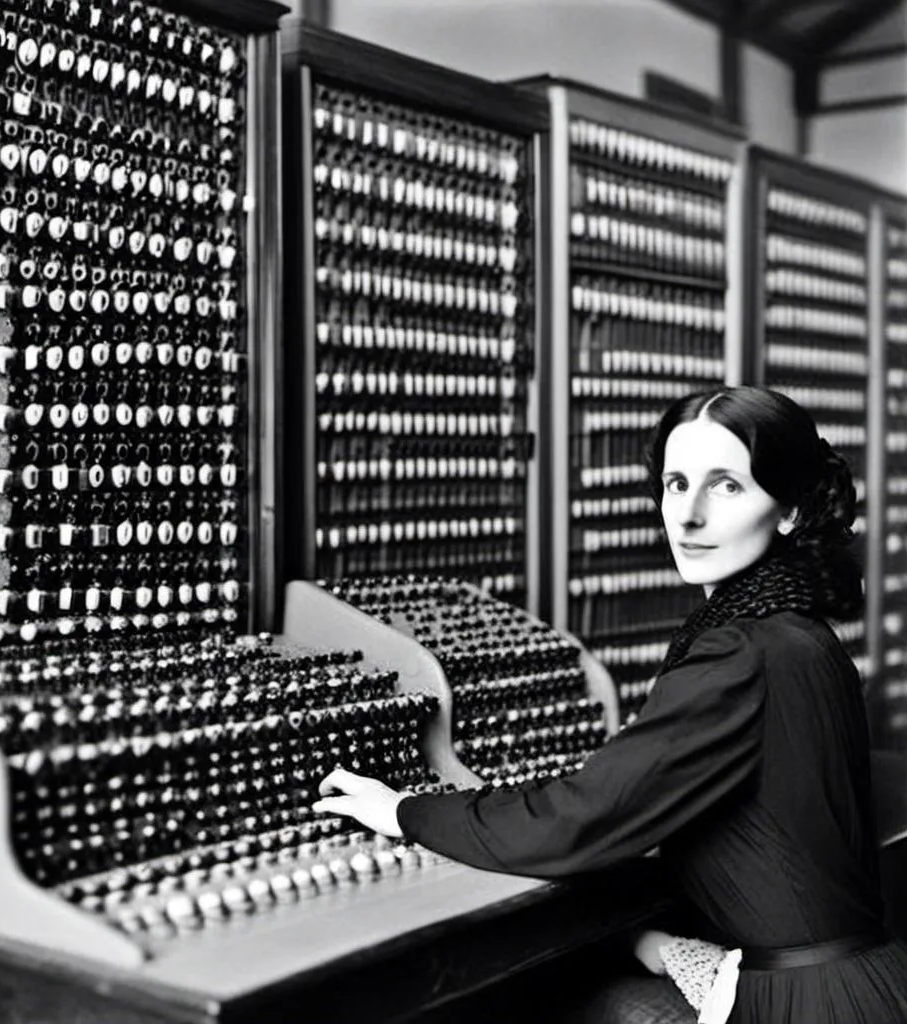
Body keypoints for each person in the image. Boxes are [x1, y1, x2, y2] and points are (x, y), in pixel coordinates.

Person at [313, 386, 907, 1023]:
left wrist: (406, 810)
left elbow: (583, 816)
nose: (688, 516)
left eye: (727, 486)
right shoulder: (795, 629)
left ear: (788, 510)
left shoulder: (742, 652)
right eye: (677, 484)